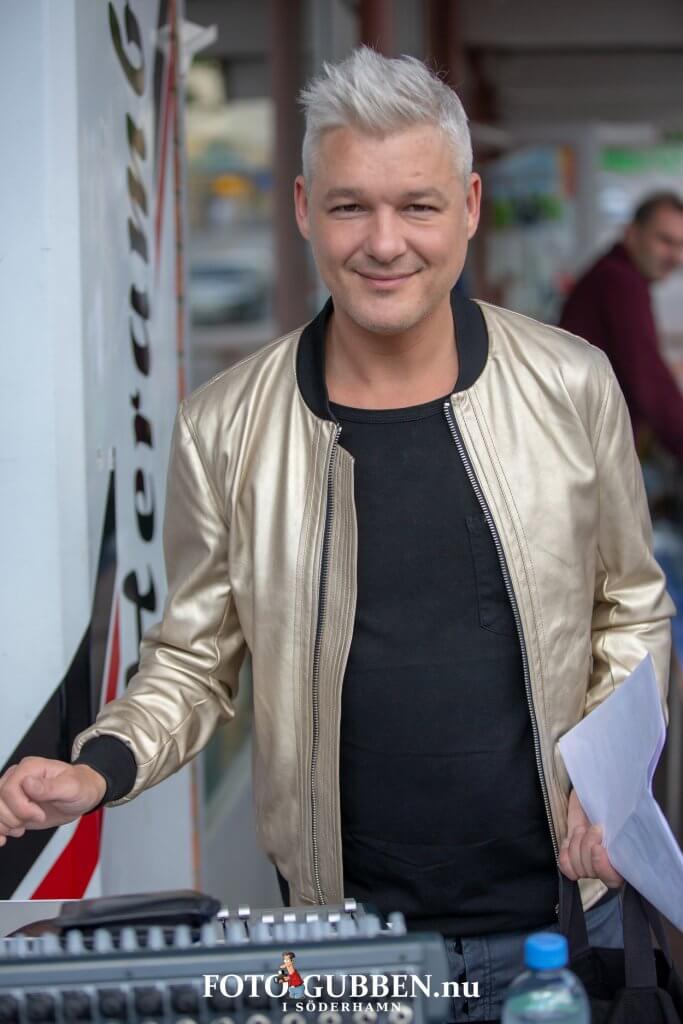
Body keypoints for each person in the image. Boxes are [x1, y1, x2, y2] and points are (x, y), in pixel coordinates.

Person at [0, 48, 674, 1022]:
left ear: (469, 205)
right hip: (338, 943)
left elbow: (631, 608)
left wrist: (609, 794)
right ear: (304, 208)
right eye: (351, 206)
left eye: (417, 205)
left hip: (557, 927)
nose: (384, 242)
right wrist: (96, 766)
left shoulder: (569, 385)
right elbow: (193, 659)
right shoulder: (224, 427)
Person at [560, 191, 683, 464]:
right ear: (631, 234)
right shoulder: (620, 282)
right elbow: (649, 382)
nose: (676, 257)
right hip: (586, 450)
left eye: (681, 246)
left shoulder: (616, 275)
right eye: (665, 241)